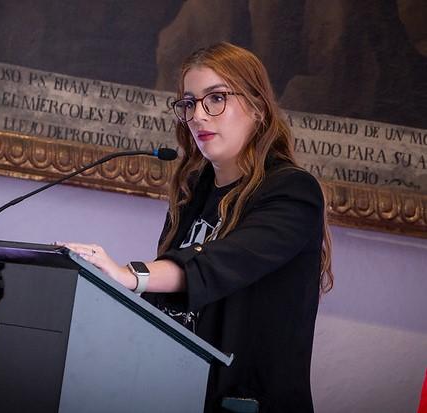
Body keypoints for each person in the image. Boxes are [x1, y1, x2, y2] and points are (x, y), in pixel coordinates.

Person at [64, 42, 333, 413]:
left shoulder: (292, 191)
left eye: (216, 98)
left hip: (248, 403)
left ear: (256, 107)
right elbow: (167, 306)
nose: (199, 116)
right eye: (189, 103)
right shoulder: (193, 191)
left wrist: (129, 274)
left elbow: (217, 263)